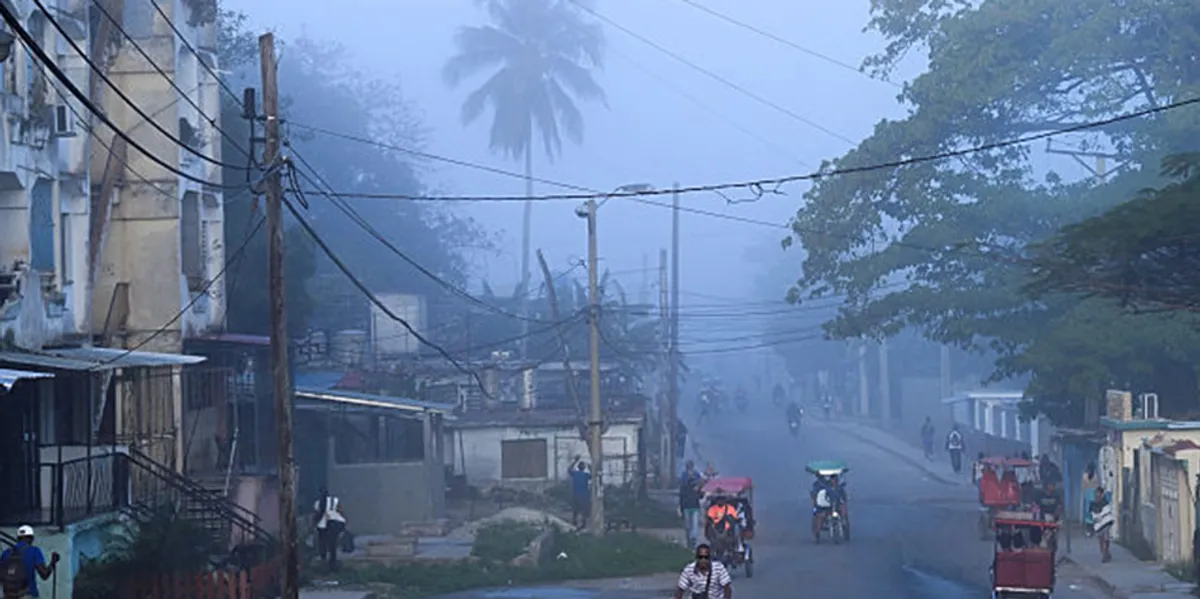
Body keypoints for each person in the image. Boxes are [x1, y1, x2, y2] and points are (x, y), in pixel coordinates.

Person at [1, 525, 59, 599]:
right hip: (28, 594)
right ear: (31, 539)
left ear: (18, 538)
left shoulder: (6, 553)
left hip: (8, 596)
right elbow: (44, 575)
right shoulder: (34, 551)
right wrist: (53, 562)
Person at [312, 487, 347, 571]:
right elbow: (340, 511)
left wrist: (314, 524)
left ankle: (325, 561)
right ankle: (332, 562)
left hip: (326, 524)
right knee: (332, 543)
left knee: (323, 542)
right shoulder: (334, 500)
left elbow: (317, 514)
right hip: (337, 522)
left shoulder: (318, 503)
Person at [810, 473, 846, 541]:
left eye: (835, 479)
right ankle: (817, 531)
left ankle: (843, 522)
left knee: (843, 508)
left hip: (836, 506)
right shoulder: (821, 486)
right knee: (821, 516)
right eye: (833, 479)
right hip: (825, 506)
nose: (834, 480)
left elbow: (843, 498)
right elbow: (816, 496)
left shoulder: (839, 488)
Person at [679, 461, 704, 547]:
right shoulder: (684, 477)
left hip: (695, 505)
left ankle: (693, 540)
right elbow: (681, 493)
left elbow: (701, 489)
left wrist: (699, 488)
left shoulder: (697, 476)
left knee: (695, 525)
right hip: (687, 505)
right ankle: (689, 540)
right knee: (688, 526)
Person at [1090, 486, 1114, 562]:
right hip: (1098, 525)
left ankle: (1105, 554)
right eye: (1096, 493)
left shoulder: (1105, 502)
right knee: (1101, 539)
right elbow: (1091, 515)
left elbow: (1108, 513)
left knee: (1106, 538)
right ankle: (1105, 553)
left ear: (1102, 494)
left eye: (1099, 493)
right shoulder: (1093, 503)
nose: (1097, 495)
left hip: (1105, 524)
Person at [569, 459, 592, 529]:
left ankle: (574, 523)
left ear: (578, 467)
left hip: (576, 494)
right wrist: (590, 467)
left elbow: (569, 470)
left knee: (575, 510)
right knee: (583, 511)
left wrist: (575, 461)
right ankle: (583, 525)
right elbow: (593, 475)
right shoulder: (586, 475)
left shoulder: (575, 473)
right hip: (584, 495)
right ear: (584, 468)